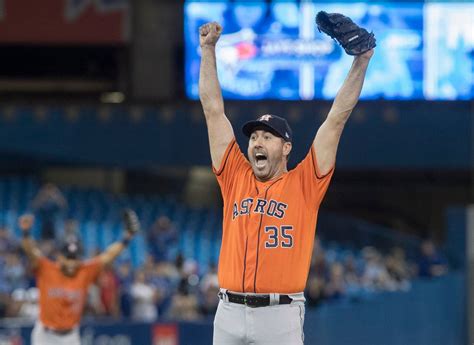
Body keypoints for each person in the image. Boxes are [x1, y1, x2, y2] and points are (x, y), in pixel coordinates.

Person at [198, 21, 374, 344]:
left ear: (286, 147)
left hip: (280, 316)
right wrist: (208, 50)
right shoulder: (234, 175)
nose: (257, 143)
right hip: (228, 311)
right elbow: (212, 111)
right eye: (253, 137)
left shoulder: (305, 183)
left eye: (268, 137)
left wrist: (361, 61)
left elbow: (336, 119)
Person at [19, 210, 140, 345]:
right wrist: (26, 233)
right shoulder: (47, 268)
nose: (72, 262)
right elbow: (31, 252)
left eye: (75, 258)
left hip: (71, 335)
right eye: (68, 258)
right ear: (60, 256)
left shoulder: (85, 270)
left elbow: (108, 256)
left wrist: (126, 238)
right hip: (45, 336)